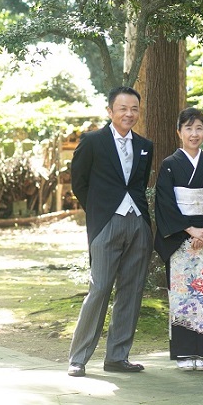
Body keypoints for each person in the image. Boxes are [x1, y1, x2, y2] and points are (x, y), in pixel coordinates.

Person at [67, 86, 154, 377]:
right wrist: (99, 211)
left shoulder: (145, 145)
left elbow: (138, 184)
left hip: (138, 222)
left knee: (132, 289)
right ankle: (78, 358)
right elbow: (79, 182)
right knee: (100, 287)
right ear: (110, 111)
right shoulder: (92, 141)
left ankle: (118, 356)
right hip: (106, 222)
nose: (129, 114)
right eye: (123, 109)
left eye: (134, 109)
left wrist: (140, 217)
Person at [154, 108, 203, 371]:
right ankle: (185, 353)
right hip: (182, 240)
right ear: (179, 132)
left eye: (198, 128)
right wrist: (191, 230)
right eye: (188, 128)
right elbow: (165, 203)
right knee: (184, 295)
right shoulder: (170, 165)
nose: (194, 134)